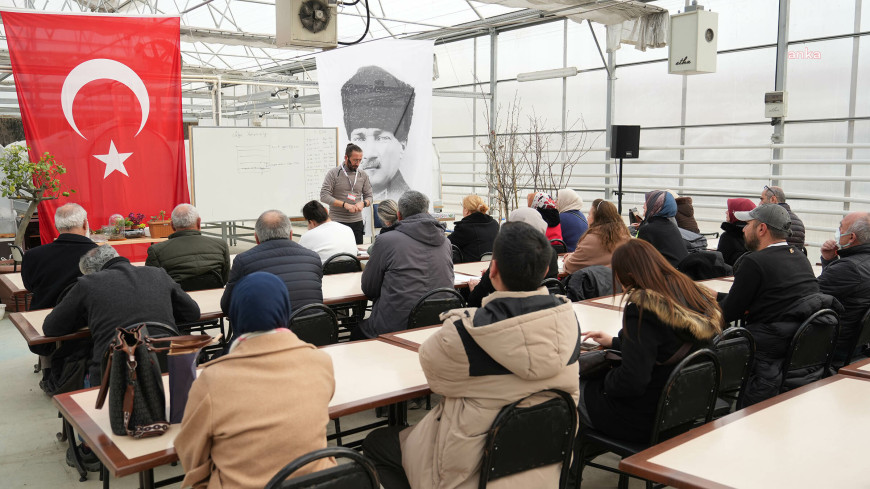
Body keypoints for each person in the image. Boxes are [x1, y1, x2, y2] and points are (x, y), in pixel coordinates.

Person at [362, 222, 581, 489]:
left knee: (376, 443)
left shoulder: (466, 333)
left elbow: (435, 380)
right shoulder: (569, 324)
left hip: (468, 475)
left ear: (494, 270)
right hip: (544, 472)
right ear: (547, 270)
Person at [175, 273, 335, 489]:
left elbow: (192, 458)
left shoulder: (212, 380)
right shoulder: (320, 362)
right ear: (285, 310)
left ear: (236, 314)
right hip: (315, 483)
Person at [581, 239, 723, 442]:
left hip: (646, 419)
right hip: (683, 413)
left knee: (568, 393)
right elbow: (663, 345)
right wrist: (615, 342)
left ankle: (572, 466)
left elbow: (632, 382)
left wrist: (605, 380)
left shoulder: (642, 308)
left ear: (629, 275)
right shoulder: (691, 293)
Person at [718, 204, 836, 405]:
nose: (743, 229)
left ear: (762, 229)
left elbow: (729, 312)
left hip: (766, 353)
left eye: (747, 224)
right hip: (799, 347)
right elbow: (775, 297)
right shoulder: (799, 256)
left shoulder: (754, 262)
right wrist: (720, 295)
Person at [43, 245, 201, 385]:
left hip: (113, 376)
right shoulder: (158, 274)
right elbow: (192, 313)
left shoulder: (88, 284)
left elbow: (51, 328)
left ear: (92, 273)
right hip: (167, 367)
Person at [356, 191, 453, 339]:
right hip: (438, 324)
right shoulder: (446, 242)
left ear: (399, 216)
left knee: (356, 332)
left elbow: (369, 288)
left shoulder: (386, 241)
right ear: (427, 212)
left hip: (395, 326)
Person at [220, 210, 322, 314]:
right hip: (313, 326)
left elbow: (227, 306)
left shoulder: (243, 261)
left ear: (257, 238)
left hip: (271, 328)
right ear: (291, 235)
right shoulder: (313, 258)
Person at [341, 66, 415, 202]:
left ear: (402, 145)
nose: (368, 154)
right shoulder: (341, 194)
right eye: (360, 138)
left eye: (381, 138)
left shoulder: (410, 203)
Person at [466, 207, 559, 307]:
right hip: (543, 307)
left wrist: (477, 287)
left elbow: (475, 299)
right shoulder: (550, 253)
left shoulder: (507, 252)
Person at [21, 203, 97, 310]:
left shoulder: (32, 255)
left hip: (42, 317)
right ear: (85, 224)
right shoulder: (102, 255)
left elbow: (29, 287)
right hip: (87, 318)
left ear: (56, 226)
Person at [818, 212, 870, 365]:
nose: (838, 232)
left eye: (841, 227)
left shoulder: (849, 268)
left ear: (852, 237)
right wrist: (830, 261)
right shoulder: (855, 264)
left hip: (836, 345)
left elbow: (811, 295)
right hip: (859, 343)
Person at [145, 203, 230, 287]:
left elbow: (152, 284)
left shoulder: (156, 251)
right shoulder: (221, 246)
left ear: (172, 226)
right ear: (199, 222)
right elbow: (225, 279)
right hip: (214, 298)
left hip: (176, 299)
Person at [319, 143, 373, 244]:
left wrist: (363, 203)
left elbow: (369, 197)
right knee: (337, 253)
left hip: (357, 222)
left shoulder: (363, 175)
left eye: (360, 160)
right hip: (337, 221)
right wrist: (344, 205)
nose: (357, 163)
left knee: (357, 253)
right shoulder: (333, 173)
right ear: (346, 157)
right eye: (355, 160)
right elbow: (324, 196)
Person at [563, 200, 631, 274]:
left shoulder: (591, 239)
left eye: (589, 214)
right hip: (620, 283)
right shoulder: (626, 236)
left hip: (597, 284)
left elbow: (570, 266)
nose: (587, 218)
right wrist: (574, 255)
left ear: (596, 218)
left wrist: (568, 258)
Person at [636, 190, 688, 267]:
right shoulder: (671, 225)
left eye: (647, 203)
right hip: (679, 272)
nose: (643, 206)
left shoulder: (648, 229)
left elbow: (639, 259)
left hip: (666, 275)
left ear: (655, 205)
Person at [447, 195, 499, 263]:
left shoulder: (464, 228)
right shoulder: (494, 224)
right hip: (493, 266)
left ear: (466, 210)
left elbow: (447, 243)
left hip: (471, 268)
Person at [760, 185, 805, 251]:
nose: (760, 203)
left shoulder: (771, 220)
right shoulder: (798, 221)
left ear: (773, 199)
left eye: (762, 199)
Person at [717, 198, 756, 266]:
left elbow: (720, 263)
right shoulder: (758, 234)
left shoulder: (727, 237)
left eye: (730, 209)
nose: (726, 212)